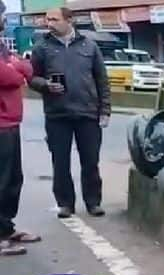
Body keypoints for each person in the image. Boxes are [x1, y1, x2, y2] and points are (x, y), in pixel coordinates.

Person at [29, 7, 111, 219]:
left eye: (54, 19)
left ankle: (93, 202)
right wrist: (45, 85)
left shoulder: (89, 46)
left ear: (69, 20)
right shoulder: (42, 47)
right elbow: (31, 78)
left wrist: (105, 110)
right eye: (47, 19)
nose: (49, 23)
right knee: (60, 161)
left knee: (91, 161)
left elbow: (102, 80)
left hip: (88, 113)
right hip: (58, 115)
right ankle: (65, 203)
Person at [0, 0, 42, 256]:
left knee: (13, 179)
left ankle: (6, 228)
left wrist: (16, 66)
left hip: (11, 122)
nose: (4, 19)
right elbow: (10, 76)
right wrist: (16, 68)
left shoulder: (2, 46)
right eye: (1, 15)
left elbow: (24, 68)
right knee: (1, 181)